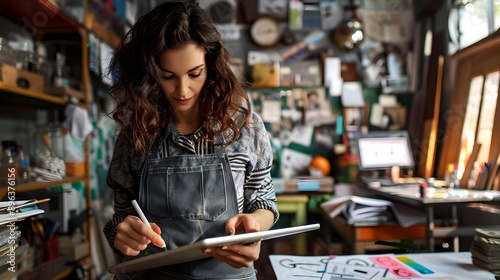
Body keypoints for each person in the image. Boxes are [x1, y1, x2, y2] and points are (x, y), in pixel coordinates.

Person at [103, 1, 279, 279]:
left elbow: (265, 202)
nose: (183, 90)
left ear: (210, 65)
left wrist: (254, 225)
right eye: (168, 76)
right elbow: (121, 214)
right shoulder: (135, 130)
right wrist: (119, 232)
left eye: (194, 74)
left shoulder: (244, 125)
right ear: (150, 73)